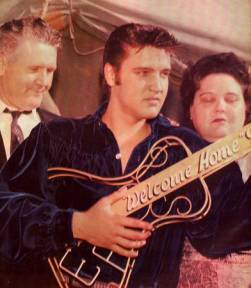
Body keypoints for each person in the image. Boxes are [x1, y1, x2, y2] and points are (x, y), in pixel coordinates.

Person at [0, 23, 250, 288]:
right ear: (111, 74)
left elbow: (226, 232)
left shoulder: (186, 151)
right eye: (143, 73)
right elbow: (4, 209)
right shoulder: (56, 138)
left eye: (164, 74)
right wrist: (77, 225)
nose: (157, 85)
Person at [178, 52, 251, 288]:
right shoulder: (171, 163)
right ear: (190, 110)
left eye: (231, 99)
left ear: (246, 108)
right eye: (208, 99)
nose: (220, 107)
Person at [0, 16, 61, 168]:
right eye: (34, 69)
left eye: (50, 71)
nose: (44, 82)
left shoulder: (60, 132)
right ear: (1, 64)